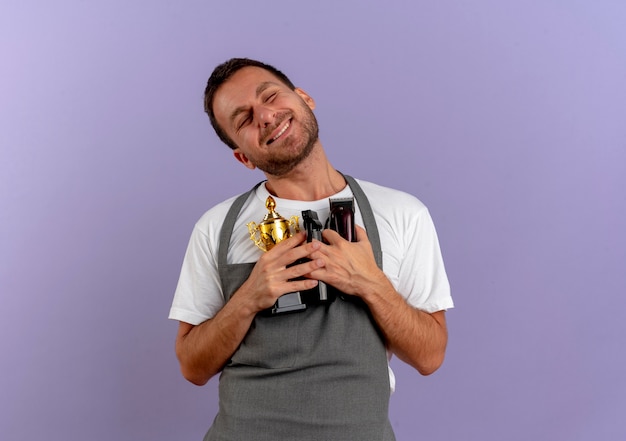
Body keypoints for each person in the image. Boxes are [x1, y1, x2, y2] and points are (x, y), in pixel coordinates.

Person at [169, 58, 454, 441]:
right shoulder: (216, 227)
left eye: (270, 96)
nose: (266, 116)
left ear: (304, 98)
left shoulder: (402, 213)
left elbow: (430, 356)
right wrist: (249, 297)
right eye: (245, 120)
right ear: (243, 157)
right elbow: (193, 366)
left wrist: (371, 283)